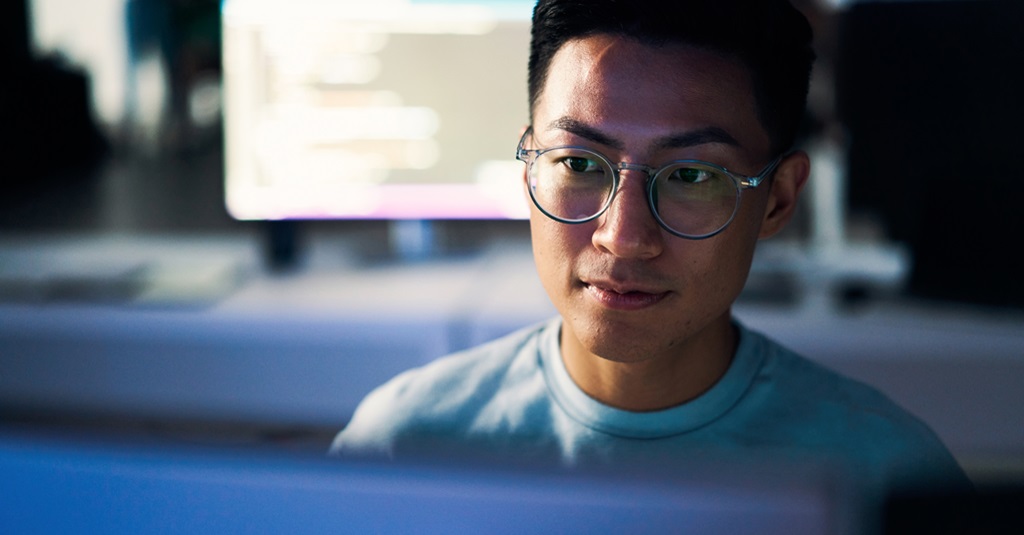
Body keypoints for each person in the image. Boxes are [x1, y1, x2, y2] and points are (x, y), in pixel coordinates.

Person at [332, 0, 969, 499]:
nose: (623, 236)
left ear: (777, 199)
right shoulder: (405, 446)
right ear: (528, 167)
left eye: (692, 175)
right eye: (579, 162)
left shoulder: (885, 476)